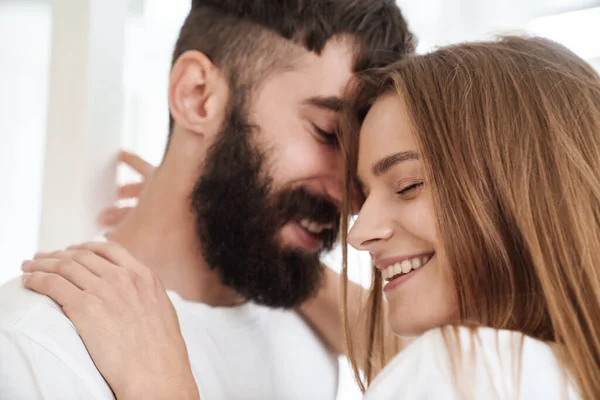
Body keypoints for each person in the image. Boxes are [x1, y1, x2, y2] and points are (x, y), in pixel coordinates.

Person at [23, 35, 600, 399]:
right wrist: (250, 227)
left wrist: (162, 388)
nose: (358, 226)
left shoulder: (472, 369)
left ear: (520, 192)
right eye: (363, 187)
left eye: (407, 183)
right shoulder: (561, 367)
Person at [0, 1, 415, 398]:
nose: (354, 198)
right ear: (198, 95)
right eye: (326, 133)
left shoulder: (308, 331)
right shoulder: (34, 347)